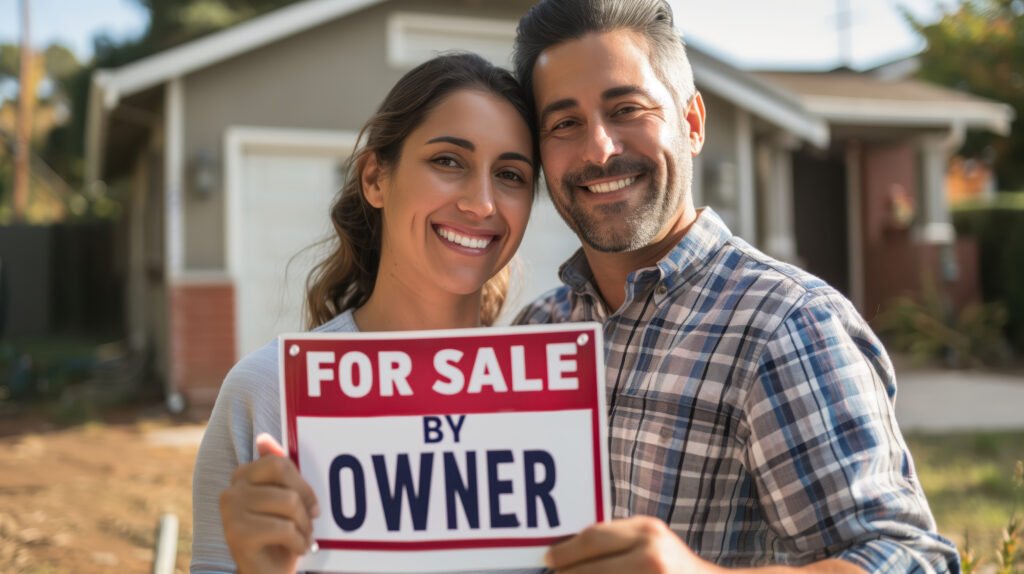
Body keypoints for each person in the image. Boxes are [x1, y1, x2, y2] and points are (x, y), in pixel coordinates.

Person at [509, 0, 960, 572]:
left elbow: (910, 560)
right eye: (565, 123)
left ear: (692, 123)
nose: (600, 149)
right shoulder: (538, 329)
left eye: (627, 108)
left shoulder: (785, 325)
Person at [190, 53, 539, 574]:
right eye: (448, 161)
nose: (483, 203)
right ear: (375, 178)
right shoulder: (268, 391)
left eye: (511, 174)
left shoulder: (549, 398)